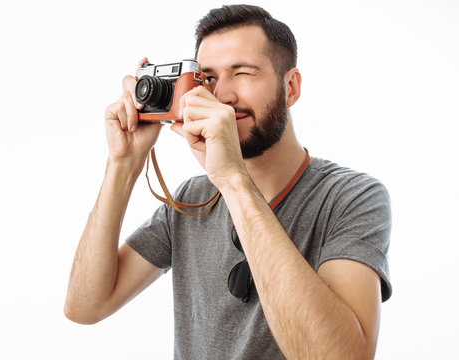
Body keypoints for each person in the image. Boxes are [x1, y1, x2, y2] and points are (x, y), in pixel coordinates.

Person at [64, 4, 392, 359]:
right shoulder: (192, 198)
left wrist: (233, 181)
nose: (222, 95)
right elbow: (85, 306)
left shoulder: (351, 197)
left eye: (243, 73)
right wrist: (123, 163)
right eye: (207, 78)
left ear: (291, 87)